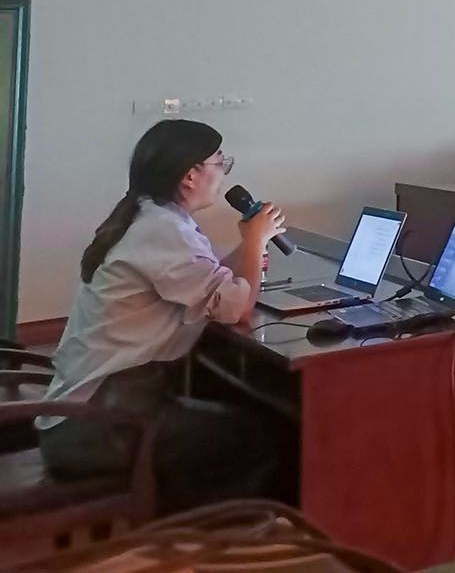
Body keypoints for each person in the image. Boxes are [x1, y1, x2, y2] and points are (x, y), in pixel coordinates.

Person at [39, 120, 285, 513]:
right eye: (220, 162)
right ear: (190, 176)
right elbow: (235, 307)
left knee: (235, 419)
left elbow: (212, 283)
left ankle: (181, 521)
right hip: (97, 427)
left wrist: (249, 244)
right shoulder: (164, 230)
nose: (224, 172)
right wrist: (255, 241)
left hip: (90, 411)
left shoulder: (153, 217)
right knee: (254, 437)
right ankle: (201, 536)